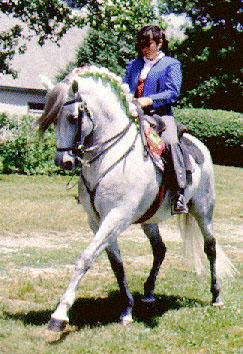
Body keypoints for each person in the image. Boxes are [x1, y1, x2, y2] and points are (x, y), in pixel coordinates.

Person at [124, 25, 188, 214]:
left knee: (170, 141)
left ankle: (179, 193)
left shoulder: (171, 64)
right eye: (141, 43)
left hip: (160, 114)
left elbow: (173, 93)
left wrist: (149, 100)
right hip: (134, 113)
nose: (144, 47)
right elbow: (126, 87)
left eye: (148, 43)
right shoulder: (134, 64)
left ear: (159, 43)